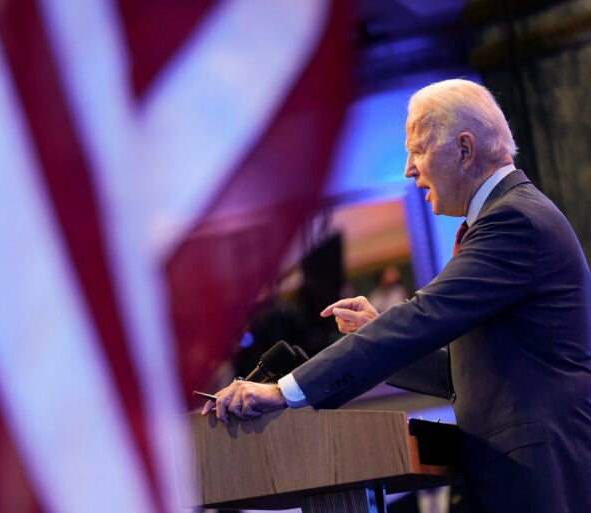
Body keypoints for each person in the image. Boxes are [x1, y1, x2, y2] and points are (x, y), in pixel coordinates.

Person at [201, 79, 591, 513]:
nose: (408, 168)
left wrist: (284, 392)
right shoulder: (512, 216)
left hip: (541, 475)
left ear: (464, 150)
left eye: (418, 150)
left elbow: (424, 316)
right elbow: (468, 374)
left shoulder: (514, 221)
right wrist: (375, 330)